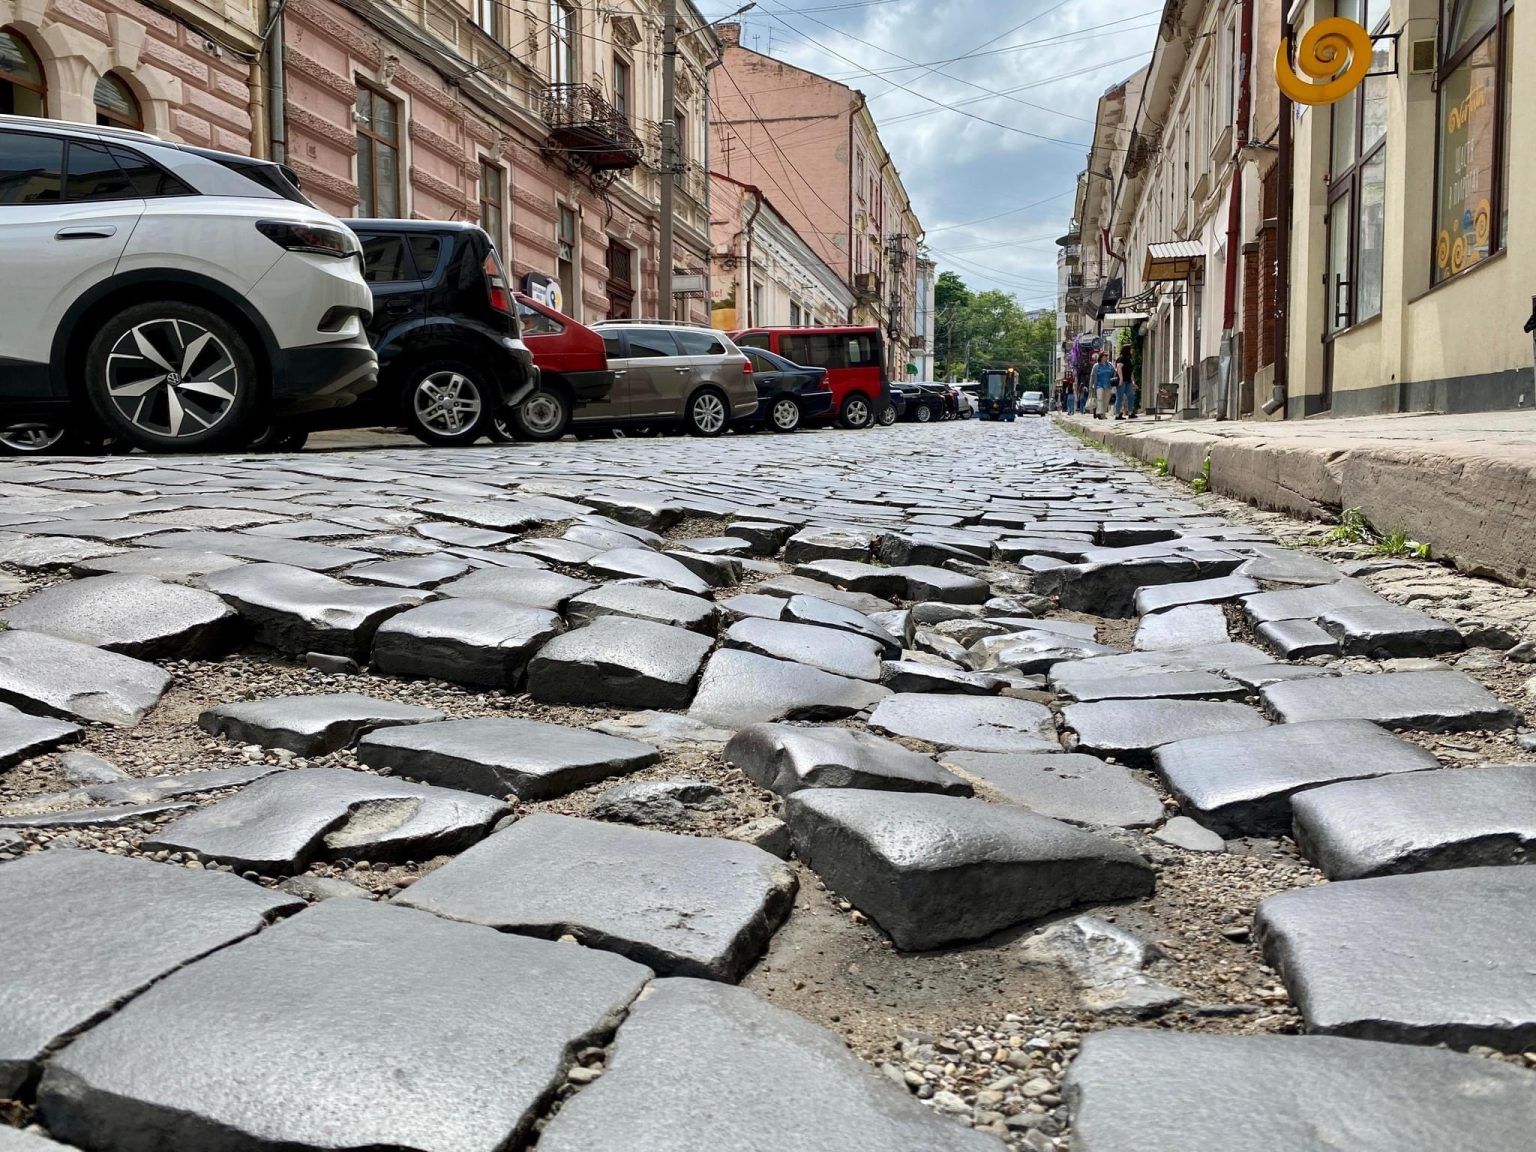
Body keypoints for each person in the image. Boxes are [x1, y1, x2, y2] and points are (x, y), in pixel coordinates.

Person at [1091, 351, 1116, 419]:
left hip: (1108, 385)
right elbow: (1092, 376)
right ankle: (1099, 413)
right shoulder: (1096, 366)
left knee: (1106, 400)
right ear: (1101, 357)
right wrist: (1091, 386)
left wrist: (1113, 379)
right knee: (1100, 398)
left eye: (1107, 356)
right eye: (1105, 356)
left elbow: (1114, 372)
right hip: (1099, 385)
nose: (1106, 358)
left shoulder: (1110, 365)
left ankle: (1103, 414)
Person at [1116, 341, 1135, 419]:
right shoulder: (1122, 358)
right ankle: (1118, 414)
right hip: (1123, 381)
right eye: (1131, 349)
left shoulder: (1128, 359)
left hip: (1128, 380)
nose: (1132, 350)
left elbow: (1131, 371)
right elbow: (1119, 368)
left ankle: (1130, 412)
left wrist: (1133, 381)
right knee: (1120, 397)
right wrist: (1121, 378)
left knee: (1131, 396)